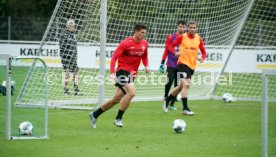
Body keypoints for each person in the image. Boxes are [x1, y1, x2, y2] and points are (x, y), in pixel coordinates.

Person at [89, 23, 149, 128]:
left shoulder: (144, 43)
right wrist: (112, 73)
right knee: (132, 93)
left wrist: (146, 65)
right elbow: (114, 58)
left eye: (145, 33)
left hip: (132, 73)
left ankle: (94, 114)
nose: (143, 35)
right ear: (136, 32)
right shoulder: (126, 43)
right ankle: (118, 118)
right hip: (122, 71)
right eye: (141, 33)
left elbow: (144, 56)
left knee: (116, 99)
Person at [164, 20, 207, 115]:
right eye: (190, 27)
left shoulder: (199, 39)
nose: (192, 29)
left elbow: (204, 52)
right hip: (182, 64)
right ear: (187, 28)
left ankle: (167, 100)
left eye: (194, 28)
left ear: (196, 28)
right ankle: (185, 108)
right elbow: (170, 46)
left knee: (180, 87)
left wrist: (202, 58)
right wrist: (175, 53)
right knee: (187, 84)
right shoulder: (182, 37)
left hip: (192, 66)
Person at [159, 20, 187, 111]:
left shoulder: (186, 38)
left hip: (181, 65)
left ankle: (171, 104)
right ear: (177, 27)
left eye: (183, 27)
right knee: (169, 82)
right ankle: (165, 98)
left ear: (185, 28)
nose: (181, 28)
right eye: (180, 26)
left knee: (178, 85)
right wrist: (162, 63)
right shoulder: (171, 37)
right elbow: (167, 50)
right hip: (171, 64)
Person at [59, 19, 82, 96]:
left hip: (73, 58)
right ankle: (65, 90)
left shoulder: (74, 35)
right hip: (66, 58)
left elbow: (74, 47)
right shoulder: (64, 35)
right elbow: (62, 47)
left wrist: (75, 56)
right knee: (67, 73)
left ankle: (76, 90)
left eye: (73, 25)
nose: (72, 26)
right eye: (70, 25)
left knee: (76, 72)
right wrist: (65, 57)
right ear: (67, 26)